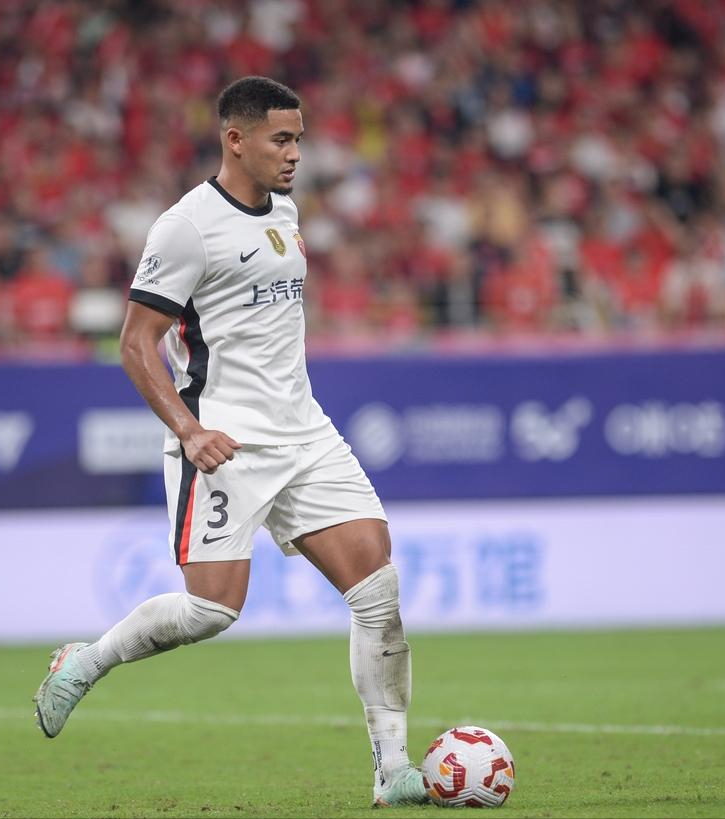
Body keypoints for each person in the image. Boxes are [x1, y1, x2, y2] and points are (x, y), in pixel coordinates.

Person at [32, 76, 428, 808]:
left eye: (299, 139)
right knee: (212, 610)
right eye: (281, 139)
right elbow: (135, 343)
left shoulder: (286, 209)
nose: (295, 153)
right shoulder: (186, 227)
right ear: (235, 139)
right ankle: (87, 660)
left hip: (304, 431)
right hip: (223, 440)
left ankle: (393, 770)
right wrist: (188, 431)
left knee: (377, 590)